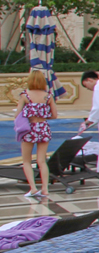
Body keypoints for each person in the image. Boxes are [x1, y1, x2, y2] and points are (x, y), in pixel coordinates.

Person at [12, 69, 57, 200]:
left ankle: (33, 188)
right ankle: (45, 189)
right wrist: (42, 116)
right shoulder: (48, 96)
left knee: (26, 161)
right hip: (43, 127)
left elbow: (17, 115)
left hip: (29, 129)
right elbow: (54, 115)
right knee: (42, 161)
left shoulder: (25, 95)